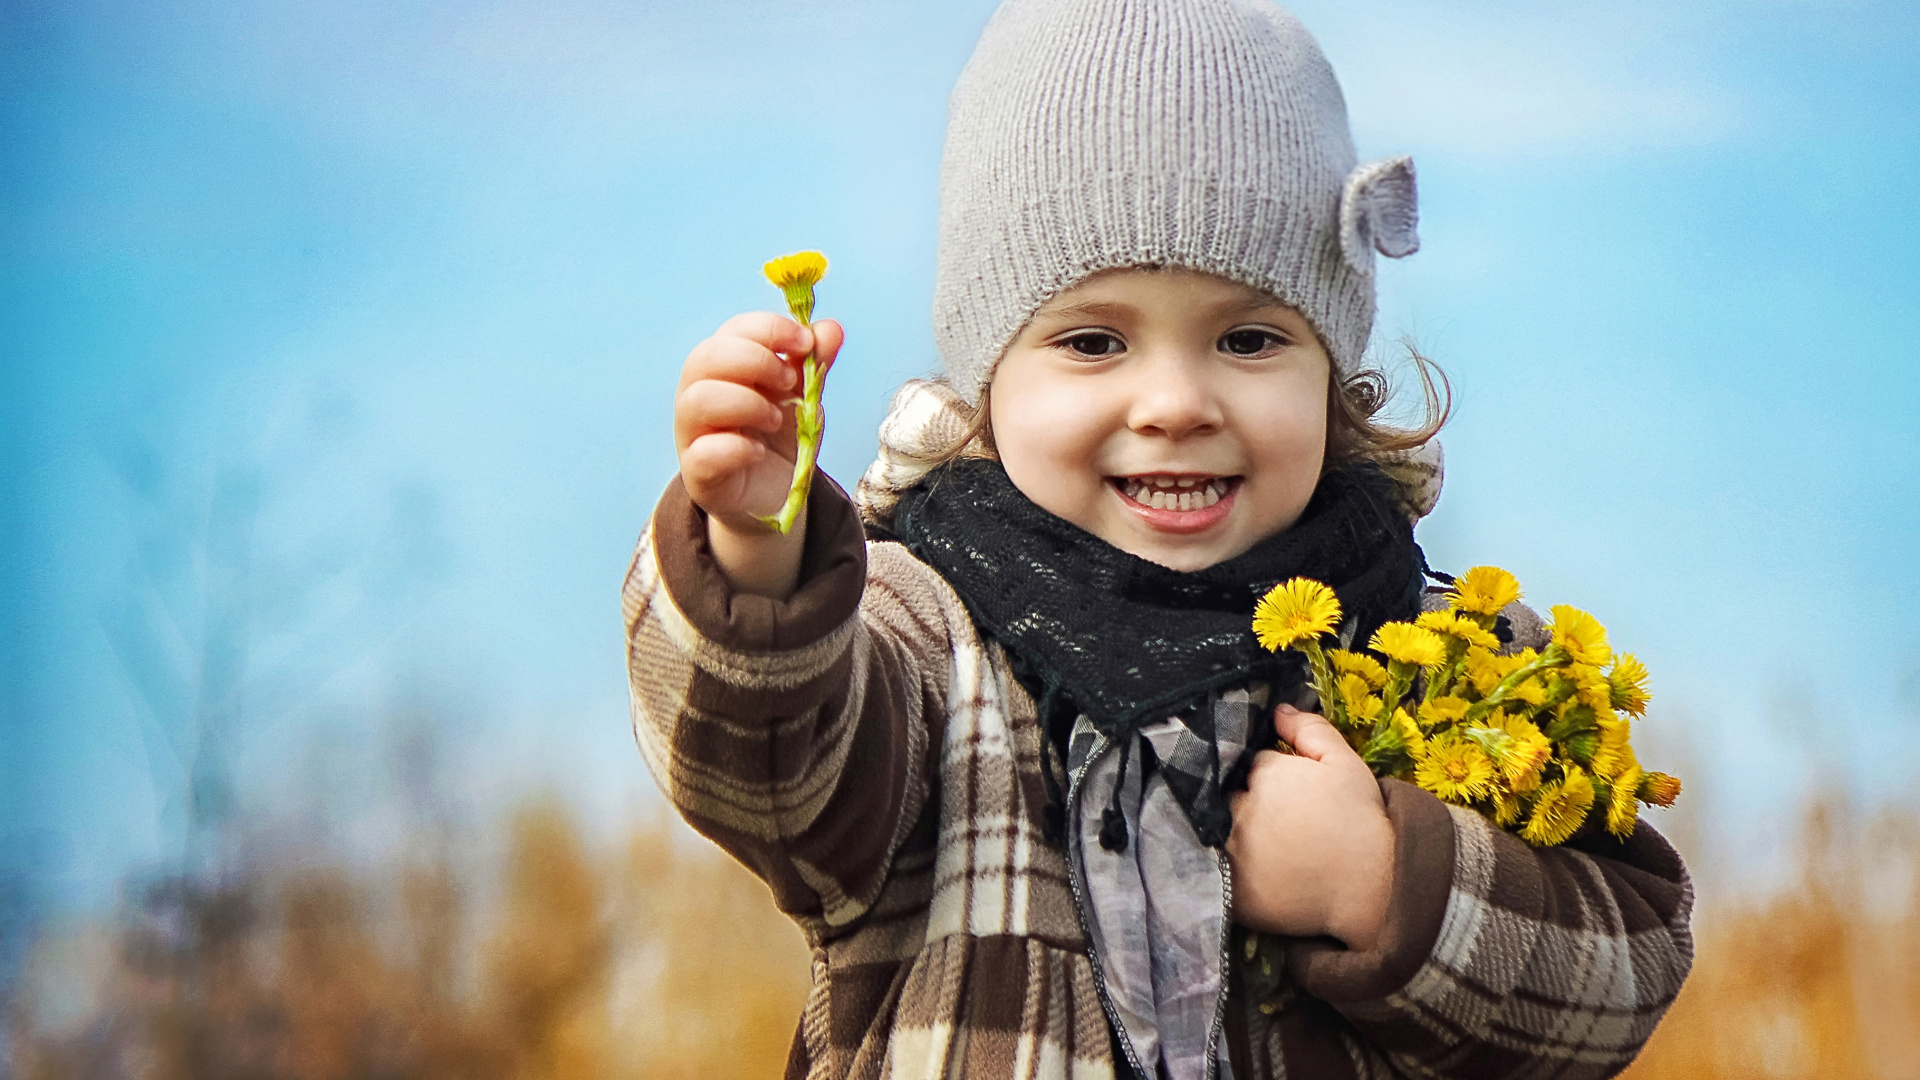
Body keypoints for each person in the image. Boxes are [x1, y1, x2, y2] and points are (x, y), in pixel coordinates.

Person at [625, 1, 1693, 1077]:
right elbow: (764, 771)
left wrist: (1385, 883)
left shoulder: (1440, 654)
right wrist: (760, 560)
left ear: (1334, 371)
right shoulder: (925, 633)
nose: (1175, 402)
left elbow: (1624, 976)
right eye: (1094, 341)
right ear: (990, 383)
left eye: (1249, 337)